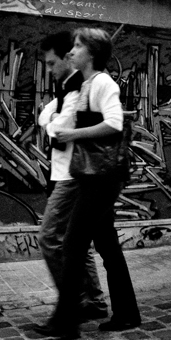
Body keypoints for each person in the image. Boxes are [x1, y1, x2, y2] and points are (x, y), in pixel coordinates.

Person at [35, 28, 140, 340]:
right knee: (106, 245)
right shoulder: (85, 84)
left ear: (92, 53)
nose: (72, 51)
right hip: (91, 173)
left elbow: (114, 123)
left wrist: (72, 135)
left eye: (78, 47)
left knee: (72, 243)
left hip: (102, 177)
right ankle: (127, 313)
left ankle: (66, 322)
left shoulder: (102, 82)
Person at [37, 32, 109, 323]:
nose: (50, 68)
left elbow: (59, 128)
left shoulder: (79, 87)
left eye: (53, 62)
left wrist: (53, 121)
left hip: (74, 173)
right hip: (65, 171)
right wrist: (52, 119)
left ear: (69, 57)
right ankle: (94, 301)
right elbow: (45, 117)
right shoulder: (65, 87)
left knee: (48, 237)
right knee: (76, 241)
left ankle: (74, 301)